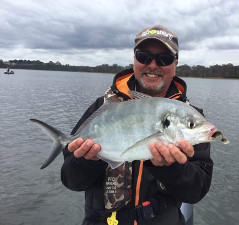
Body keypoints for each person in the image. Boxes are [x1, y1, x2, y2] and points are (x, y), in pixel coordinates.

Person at [61, 24, 213, 225]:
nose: (152, 65)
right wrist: (88, 160)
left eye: (164, 59)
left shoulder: (190, 119)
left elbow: (196, 192)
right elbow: (70, 180)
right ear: (134, 59)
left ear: (175, 63)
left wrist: (172, 168)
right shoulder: (105, 107)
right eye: (143, 56)